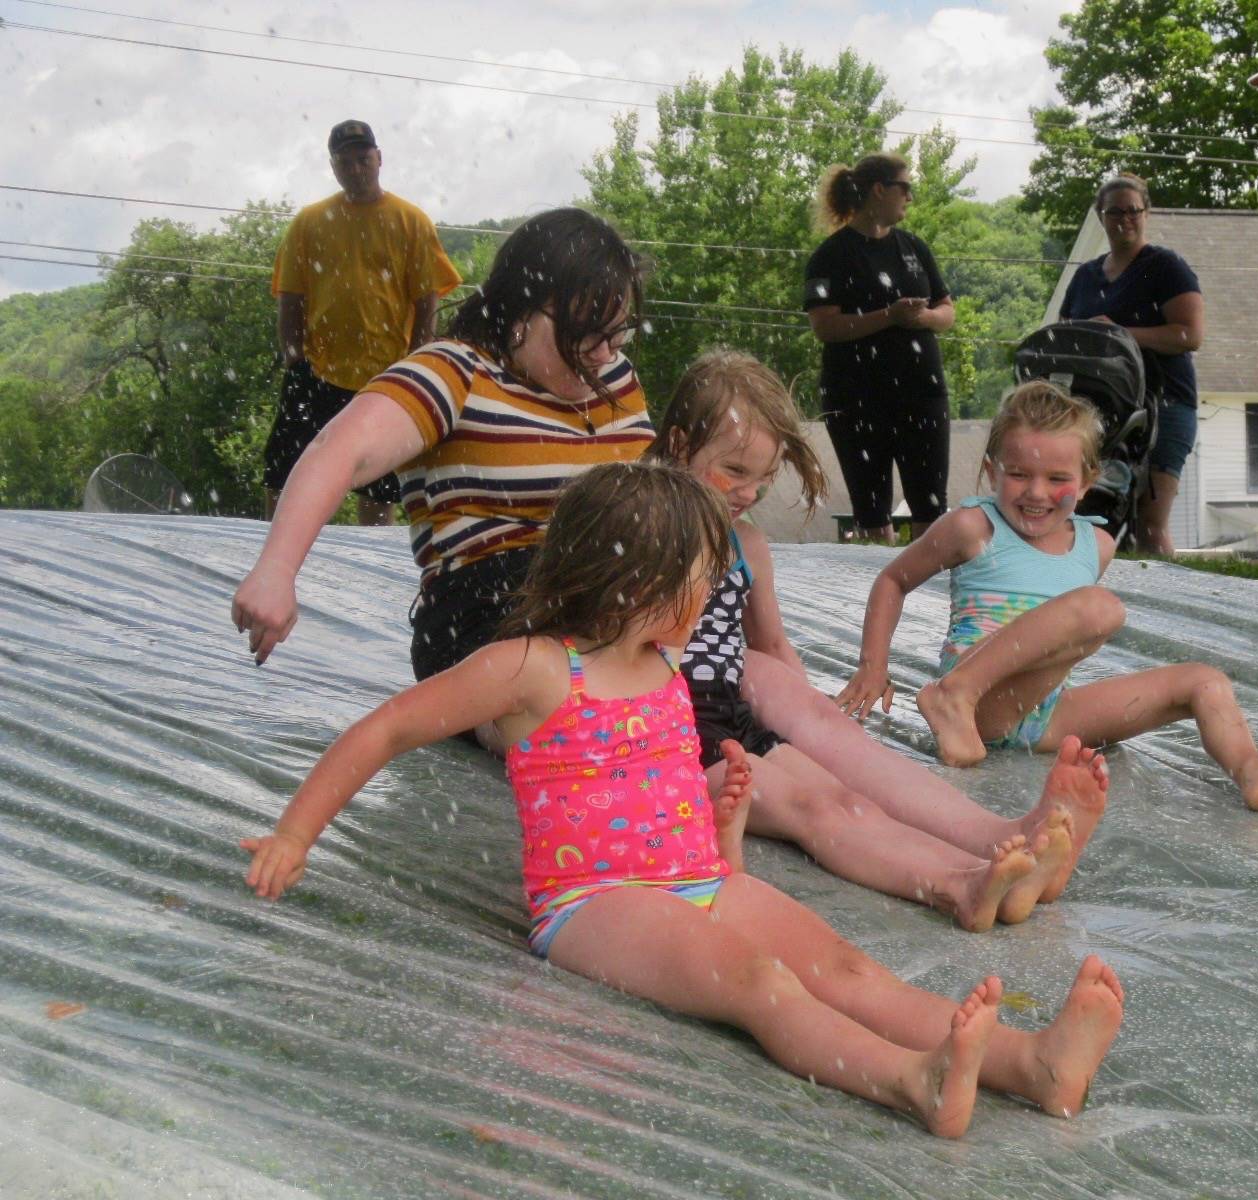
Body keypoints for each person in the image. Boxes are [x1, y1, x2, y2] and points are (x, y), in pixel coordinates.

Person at [240, 461, 1126, 1138]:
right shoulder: (535, 667)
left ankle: (1031, 1064)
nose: (712, 600)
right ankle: (914, 1081)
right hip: (595, 904)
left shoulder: (666, 667)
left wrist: (721, 812)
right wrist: (295, 831)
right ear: (635, 581)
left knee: (853, 971)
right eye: (701, 578)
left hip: (698, 876)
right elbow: (387, 730)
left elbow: (640, 795)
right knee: (758, 983)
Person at [648, 349, 1108, 932]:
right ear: (680, 444)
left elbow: (772, 648)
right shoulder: (647, 530)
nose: (747, 492)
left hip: (728, 713)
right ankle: (958, 886)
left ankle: (1002, 844)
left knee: (845, 777)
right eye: (735, 472)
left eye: (763, 480)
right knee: (819, 807)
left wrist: (814, 721)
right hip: (666, 734)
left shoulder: (744, 542)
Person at [837, 381, 1258, 809]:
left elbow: (1055, 644)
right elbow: (892, 581)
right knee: (1101, 610)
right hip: (980, 706)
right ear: (991, 471)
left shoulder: (1095, 544)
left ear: (1088, 481)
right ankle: (952, 696)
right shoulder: (973, 526)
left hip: (1045, 715)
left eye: (1057, 479)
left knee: (1203, 681)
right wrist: (872, 666)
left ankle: (1252, 772)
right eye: (1019, 475)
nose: (1035, 492)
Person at [233, 208, 652, 710]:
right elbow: (339, 450)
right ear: (521, 312)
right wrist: (276, 570)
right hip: (493, 608)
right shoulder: (457, 372)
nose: (605, 354)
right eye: (586, 333)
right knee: (571, 705)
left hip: (614, 601)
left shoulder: (615, 378)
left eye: (619, 333)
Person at [266, 119, 463, 526]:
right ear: (333, 166)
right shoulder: (310, 221)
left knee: (380, 485)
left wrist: (416, 361)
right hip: (317, 373)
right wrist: (294, 358)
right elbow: (290, 296)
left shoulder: (411, 221)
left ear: (379, 159)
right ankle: (273, 556)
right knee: (284, 471)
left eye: (362, 159)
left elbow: (427, 298)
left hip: (385, 378)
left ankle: (368, 562)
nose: (355, 169)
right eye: (345, 161)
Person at [804, 153, 955, 544]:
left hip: (922, 393)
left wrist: (921, 319)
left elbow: (947, 310)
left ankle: (929, 593)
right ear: (879, 190)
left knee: (931, 504)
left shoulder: (915, 249)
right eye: (906, 188)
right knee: (870, 507)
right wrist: (888, 316)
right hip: (857, 398)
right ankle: (876, 590)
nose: (911, 197)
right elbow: (824, 326)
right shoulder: (830, 256)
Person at [1059, 174, 1204, 556]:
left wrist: (1119, 334)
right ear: (1100, 216)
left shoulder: (1166, 266)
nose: (1125, 219)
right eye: (1115, 212)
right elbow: (1064, 334)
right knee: (1096, 520)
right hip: (1100, 412)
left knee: (1149, 526)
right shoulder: (1085, 276)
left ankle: (1167, 609)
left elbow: (1190, 334)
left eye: (1133, 211)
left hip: (1165, 405)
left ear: (1146, 213)